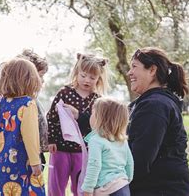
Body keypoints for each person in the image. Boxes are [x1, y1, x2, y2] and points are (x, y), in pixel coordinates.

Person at [126, 47, 189, 195]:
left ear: (152, 70)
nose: (129, 73)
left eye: (134, 67)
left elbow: (140, 162)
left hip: (160, 189)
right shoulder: (149, 102)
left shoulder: (154, 106)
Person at [47, 53, 109, 196]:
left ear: (98, 78)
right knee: (56, 185)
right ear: (76, 73)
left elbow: (98, 125)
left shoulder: (97, 100)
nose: (87, 80)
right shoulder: (65, 93)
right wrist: (52, 139)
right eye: (83, 75)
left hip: (84, 151)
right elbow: (52, 117)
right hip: (60, 148)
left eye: (92, 78)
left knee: (81, 187)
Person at [0, 58, 46, 195]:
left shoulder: (0, 103)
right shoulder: (28, 104)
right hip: (22, 161)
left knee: (2, 190)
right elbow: (30, 136)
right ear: (30, 80)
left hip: (1, 160)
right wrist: (35, 161)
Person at [81, 97, 133, 196]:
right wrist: (127, 179)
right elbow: (129, 162)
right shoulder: (122, 140)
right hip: (123, 185)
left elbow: (94, 165)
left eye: (93, 113)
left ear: (100, 118)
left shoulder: (96, 140)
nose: (90, 116)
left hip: (106, 189)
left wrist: (88, 189)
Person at [16, 49, 49, 169]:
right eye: (40, 76)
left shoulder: (34, 100)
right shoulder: (26, 104)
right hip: (27, 156)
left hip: (36, 153)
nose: (43, 80)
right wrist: (33, 158)